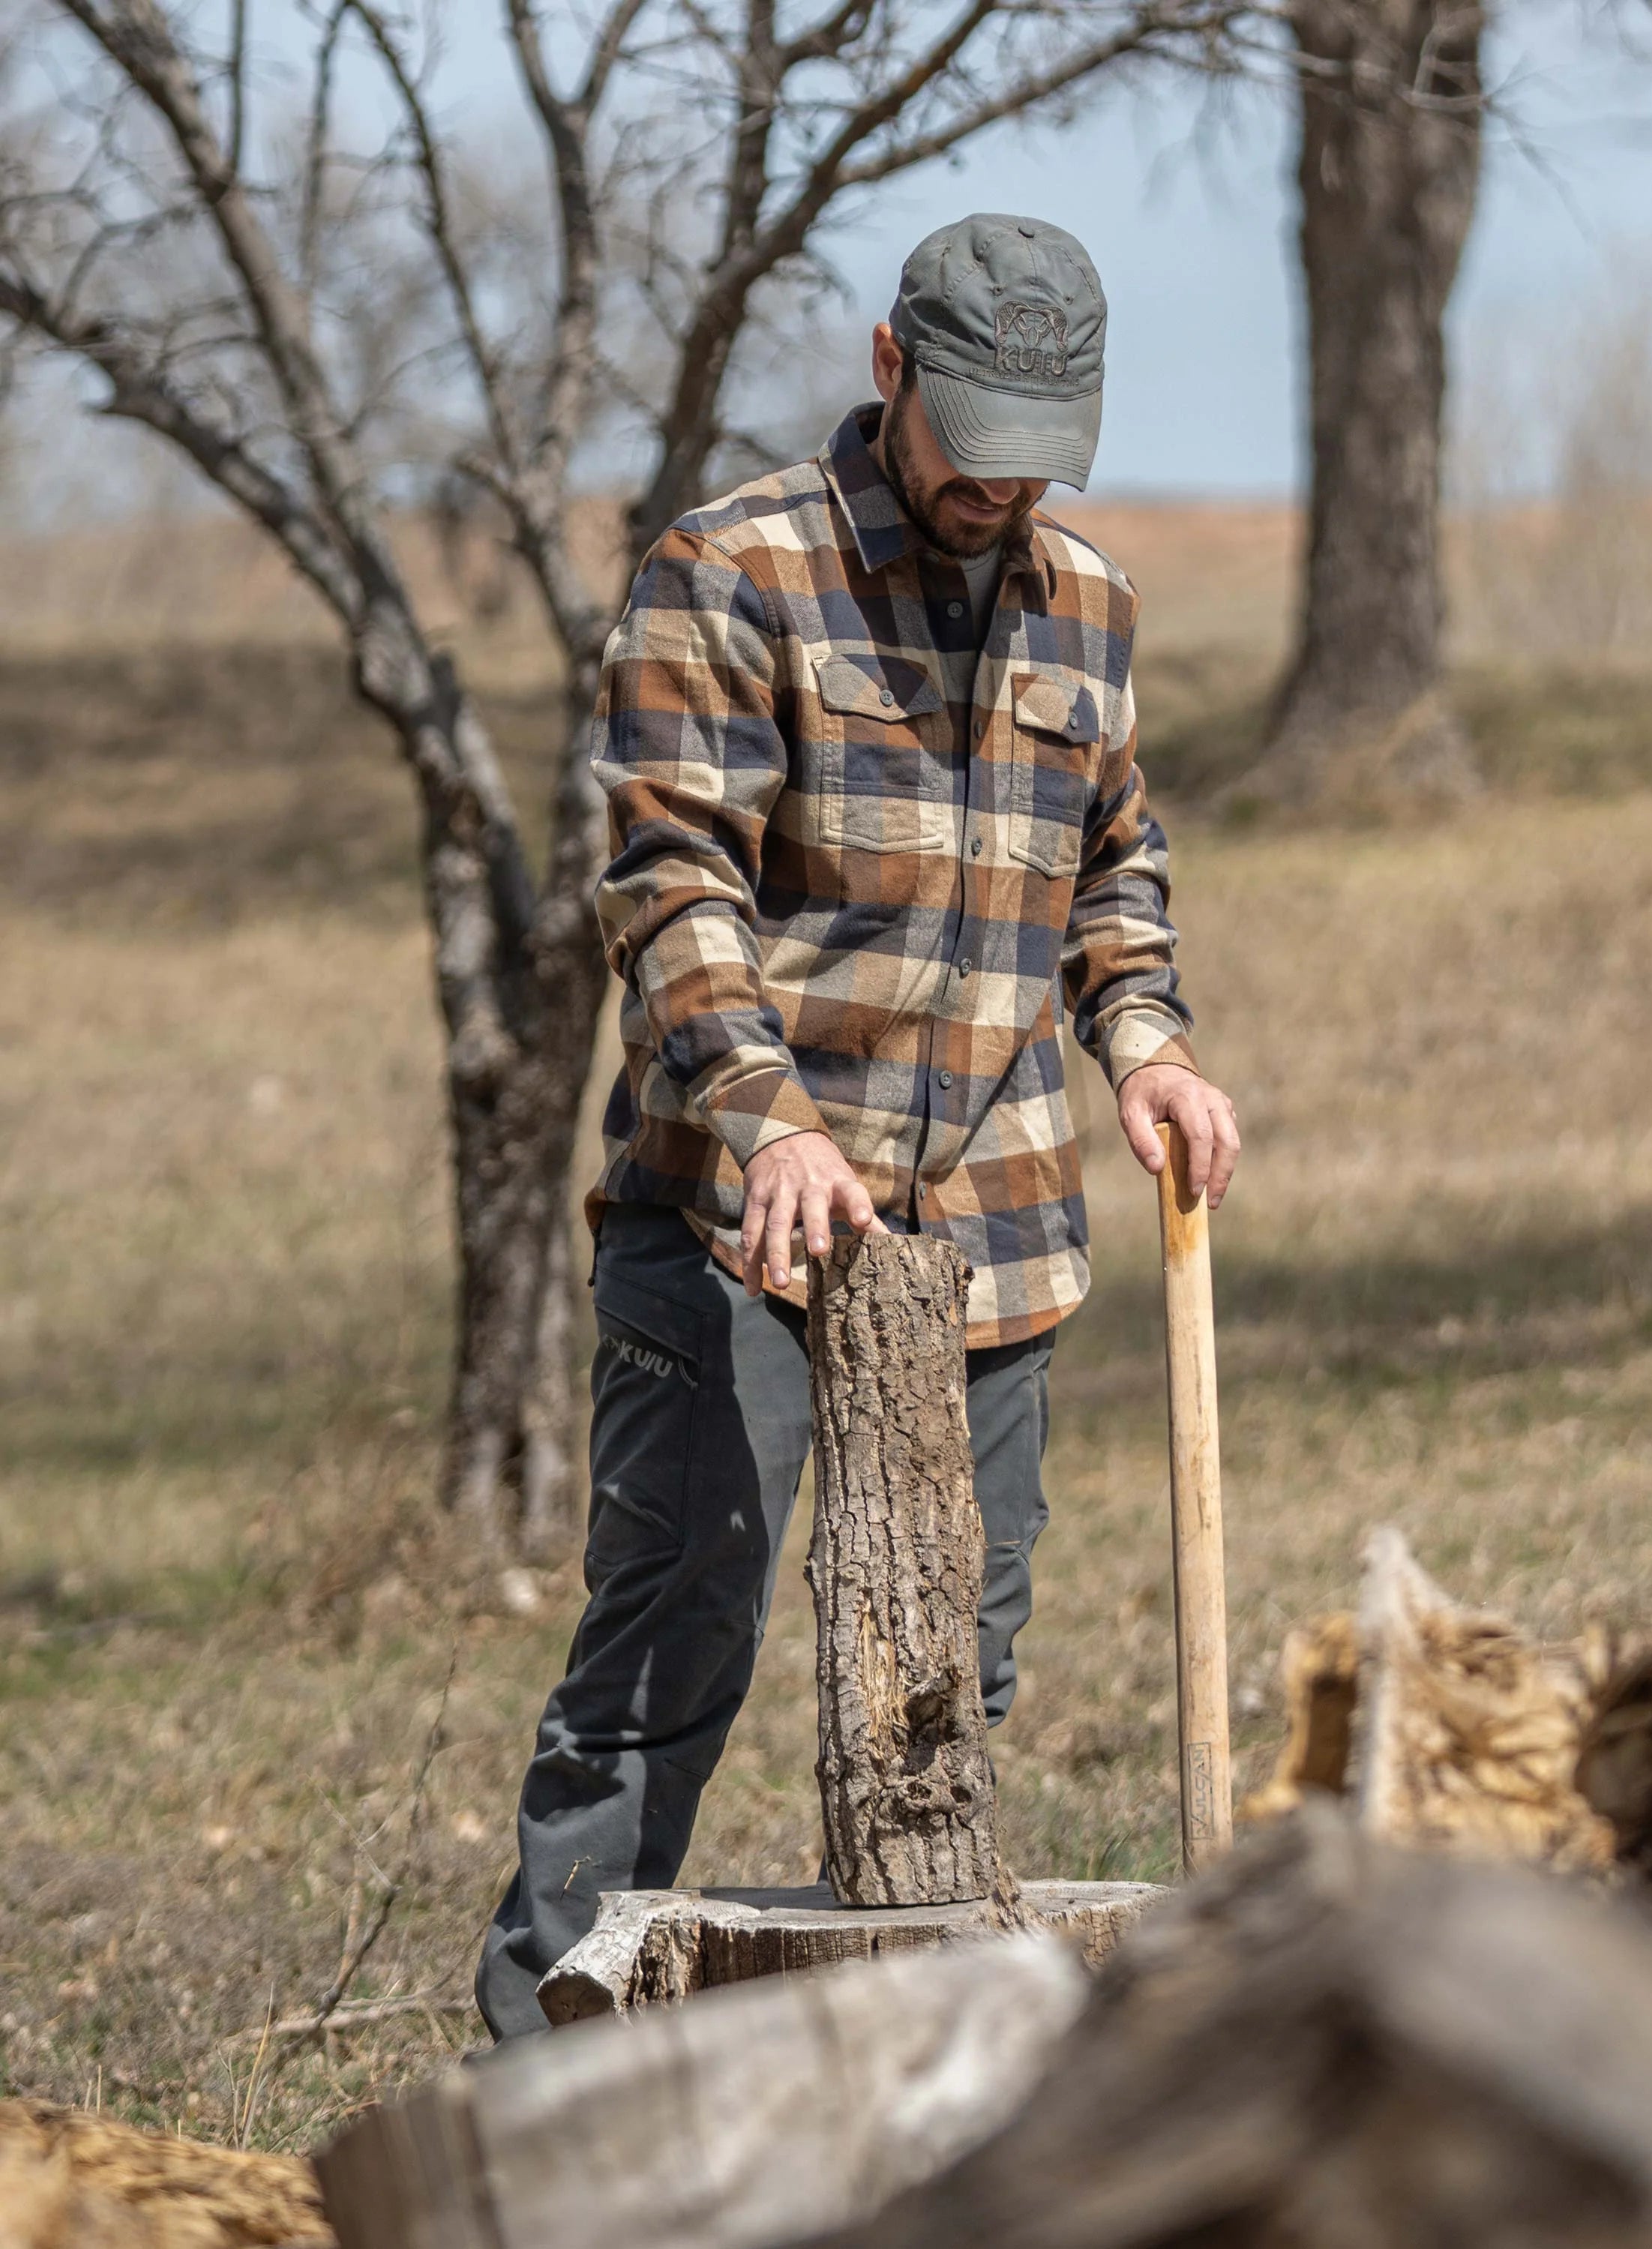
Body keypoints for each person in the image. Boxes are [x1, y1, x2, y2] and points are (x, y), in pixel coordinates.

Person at [476, 213, 1240, 2040]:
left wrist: (1144, 1045)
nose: (1000, 487)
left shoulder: (1092, 604)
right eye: (971, 439)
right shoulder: (730, 574)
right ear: (890, 367)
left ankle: (898, 2073)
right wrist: (771, 1124)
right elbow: (670, 888)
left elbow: (1111, 871)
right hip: (738, 1217)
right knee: (673, 1647)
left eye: (1037, 453)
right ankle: (537, 2083)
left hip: (991, 1219)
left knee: (943, 1685)